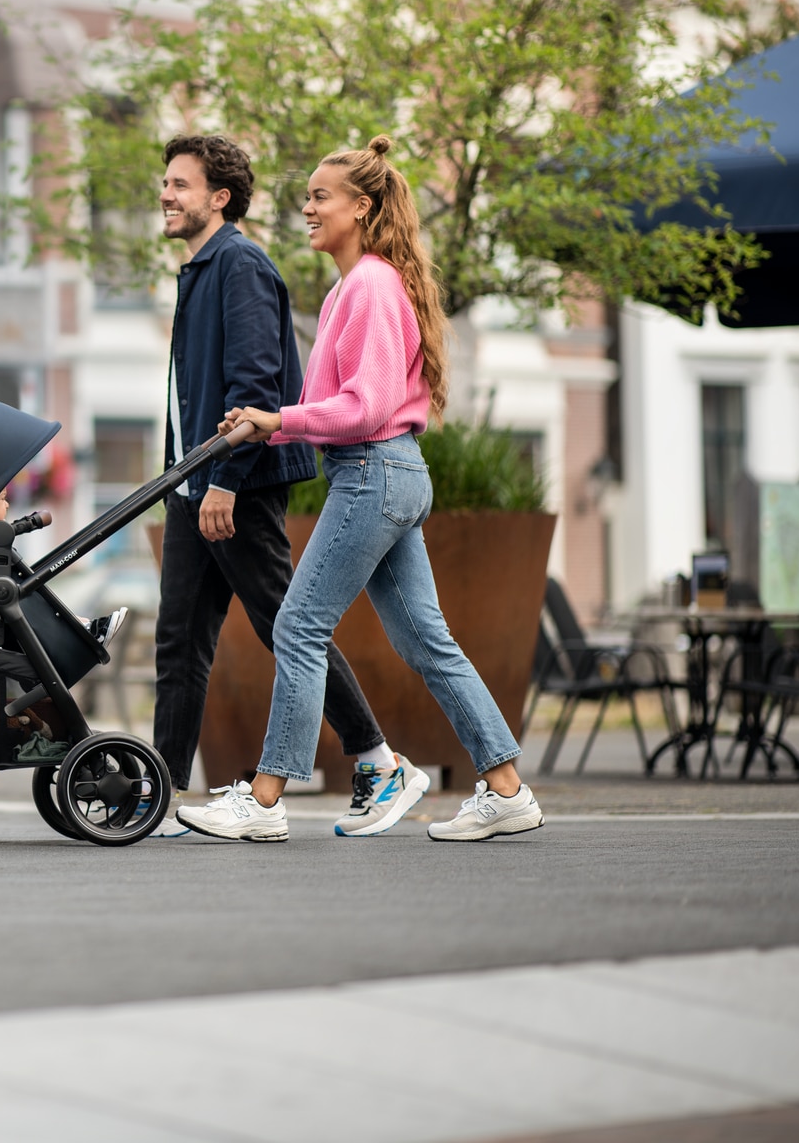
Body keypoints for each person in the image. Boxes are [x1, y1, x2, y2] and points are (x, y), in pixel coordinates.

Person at [197, 135, 545, 843]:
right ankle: (507, 788)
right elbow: (345, 407)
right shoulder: (351, 289)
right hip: (381, 472)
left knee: (298, 626)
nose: (307, 208)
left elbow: (366, 405)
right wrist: (273, 426)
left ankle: (263, 803)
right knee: (427, 644)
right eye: (307, 197)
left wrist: (278, 418)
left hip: (373, 472)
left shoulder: (372, 286)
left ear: (362, 207)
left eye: (321, 197)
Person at [153, 134, 429, 841]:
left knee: (290, 624)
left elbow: (254, 384)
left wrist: (225, 483)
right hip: (195, 482)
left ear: (219, 197)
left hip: (231, 482)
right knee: (180, 640)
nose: (166, 194)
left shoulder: (239, 265)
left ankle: (375, 757)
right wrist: (185, 479)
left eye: (180, 185)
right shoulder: (199, 269)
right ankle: (158, 791)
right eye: (166, 183)